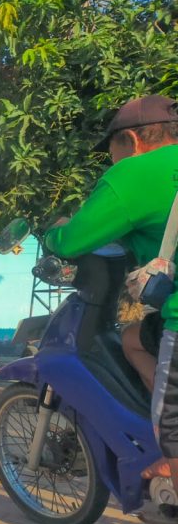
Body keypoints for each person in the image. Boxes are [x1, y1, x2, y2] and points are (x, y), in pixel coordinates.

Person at [43, 94, 178, 482]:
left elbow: (71, 241)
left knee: (175, 441)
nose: (112, 162)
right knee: (134, 337)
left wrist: (55, 233)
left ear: (131, 141)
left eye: (111, 152)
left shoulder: (135, 172)